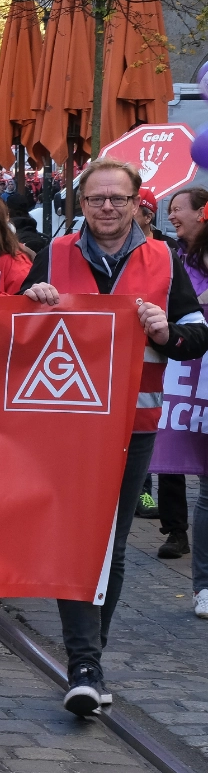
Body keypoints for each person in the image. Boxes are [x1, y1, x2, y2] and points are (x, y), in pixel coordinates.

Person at [19, 159, 208, 715]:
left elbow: (198, 334)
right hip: (64, 426)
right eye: (96, 198)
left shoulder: (164, 259)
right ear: (81, 203)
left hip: (134, 424)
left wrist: (166, 331)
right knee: (80, 538)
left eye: (117, 199)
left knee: (114, 545)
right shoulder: (52, 257)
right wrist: (33, 306)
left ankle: (88, 657)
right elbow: (12, 333)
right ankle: (85, 664)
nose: (106, 207)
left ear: (135, 203)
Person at [157, 187, 208, 565]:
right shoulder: (173, 258)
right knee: (172, 445)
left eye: (177, 209)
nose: (170, 216)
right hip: (180, 372)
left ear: (201, 213)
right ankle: (176, 531)